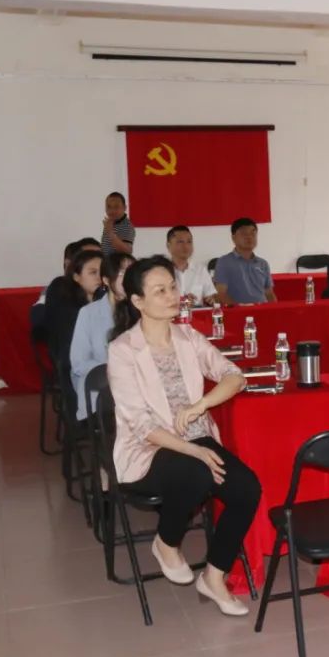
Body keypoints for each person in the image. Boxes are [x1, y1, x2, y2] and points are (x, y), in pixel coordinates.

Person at [107, 256, 260, 616]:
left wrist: (200, 405)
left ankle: (214, 576)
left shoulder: (188, 337)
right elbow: (141, 426)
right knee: (198, 472)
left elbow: (234, 376)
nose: (171, 295)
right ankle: (166, 541)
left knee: (246, 488)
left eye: (173, 287)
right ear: (138, 301)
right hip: (148, 450)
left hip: (196, 441)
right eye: (159, 291)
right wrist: (194, 452)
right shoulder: (122, 350)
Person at [70, 252, 135, 420]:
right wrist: (117, 368)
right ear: (106, 280)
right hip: (102, 395)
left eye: (132, 273)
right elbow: (79, 363)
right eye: (122, 273)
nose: (129, 279)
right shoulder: (88, 313)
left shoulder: (142, 311)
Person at [45, 249, 105, 378]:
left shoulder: (108, 304)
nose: (99, 277)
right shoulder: (68, 309)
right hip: (76, 371)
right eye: (93, 272)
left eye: (102, 272)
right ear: (77, 277)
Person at [31, 237, 101, 331]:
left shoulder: (107, 290)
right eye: (88, 256)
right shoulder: (58, 287)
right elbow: (38, 317)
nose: (96, 260)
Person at [213, 218, 277, 305]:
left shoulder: (263, 263)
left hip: (262, 309)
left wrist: (275, 309)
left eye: (253, 233)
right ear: (233, 238)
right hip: (239, 310)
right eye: (244, 233)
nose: (249, 237)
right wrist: (240, 309)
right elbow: (221, 294)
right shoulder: (224, 262)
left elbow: (269, 294)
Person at [166, 226, 218, 307]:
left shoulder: (200, 270)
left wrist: (211, 300)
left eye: (189, 242)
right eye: (180, 242)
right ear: (168, 246)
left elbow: (211, 296)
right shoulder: (162, 271)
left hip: (196, 314)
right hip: (170, 314)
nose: (186, 246)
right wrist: (183, 302)